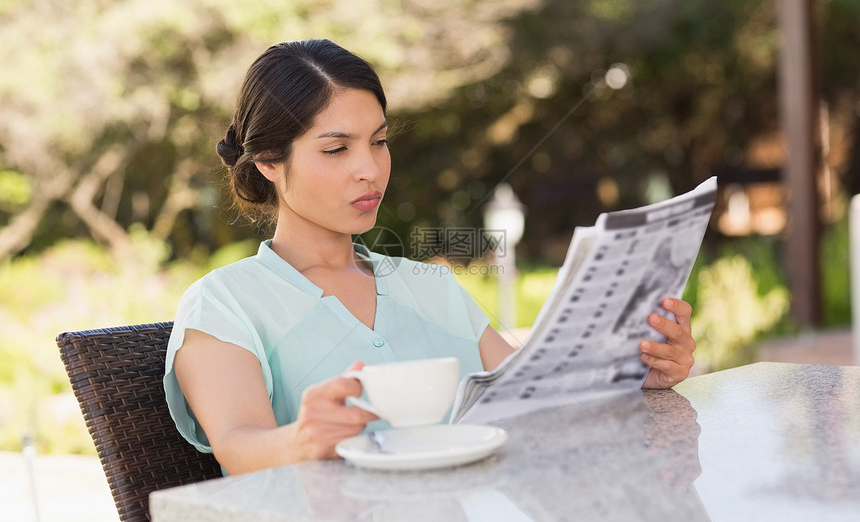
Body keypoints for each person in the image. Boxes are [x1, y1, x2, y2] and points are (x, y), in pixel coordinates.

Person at [164, 39, 697, 475]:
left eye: (378, 141)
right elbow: (238, 446)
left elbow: (534, 394)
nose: (369, 169)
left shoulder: (430, 287)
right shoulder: (225, 302)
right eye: (336, 149)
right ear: (268, 164)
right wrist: (301, 439)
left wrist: (630, 372)